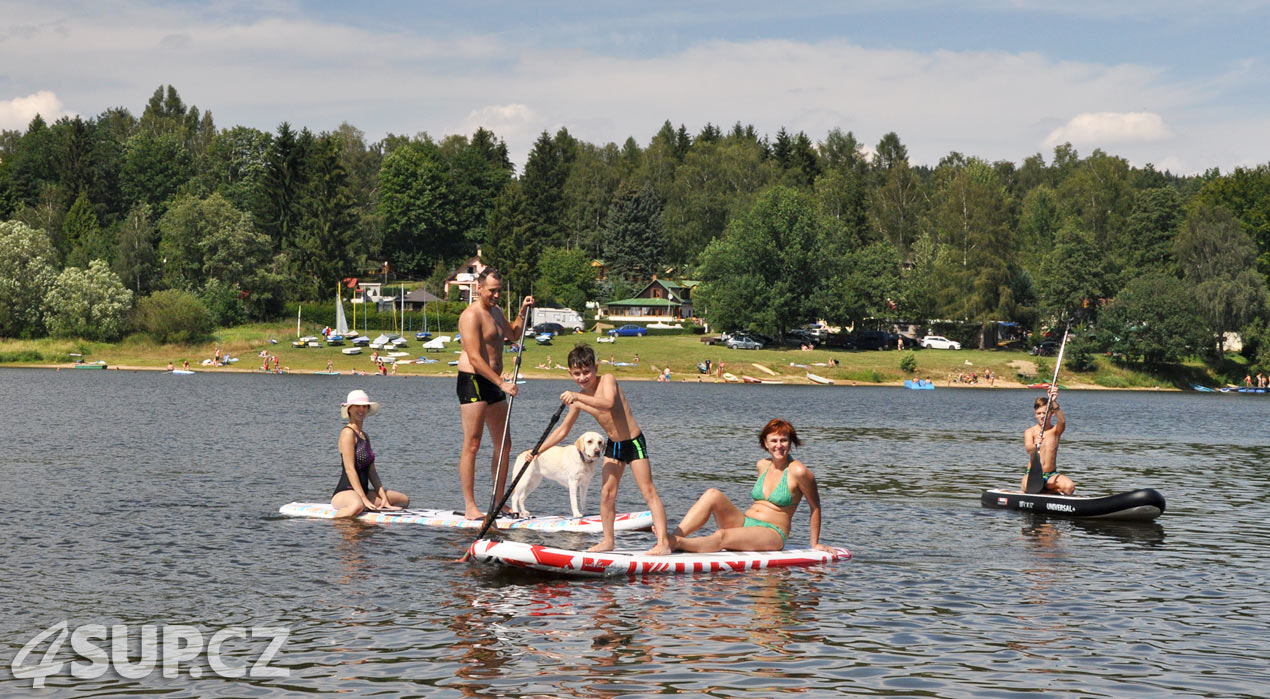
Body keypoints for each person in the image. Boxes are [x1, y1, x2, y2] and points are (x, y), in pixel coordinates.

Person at [537, 343, 672, 554]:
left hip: (634, 442)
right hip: (614, 446)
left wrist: (578, 396)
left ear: (596, 369)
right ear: (571, 373)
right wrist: (538, 450)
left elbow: (607, 403)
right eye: (577, 374)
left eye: (586, 372)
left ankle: (663, 543)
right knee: (607, 494)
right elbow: (563, 431)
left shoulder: (607, 380)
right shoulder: (578, 398)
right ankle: (608, 541)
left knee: (648, 492)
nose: (582, 378)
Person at [671, 418, 833, 553]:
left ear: (791, 443)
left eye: (784, 440)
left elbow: (815, 507)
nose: (779, 445)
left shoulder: (799, 471)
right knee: (712, 494)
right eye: (774, 440)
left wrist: (815, 544)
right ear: (765, 443)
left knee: (722, 536)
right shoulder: (762, 465)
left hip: (773, 533)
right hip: (745, 523)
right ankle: (672, 537)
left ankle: (678, 543)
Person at [455, 267, 534, 519]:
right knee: (473, 444)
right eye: (492, 291)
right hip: (474, 380)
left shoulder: (497, 312)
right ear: (479, 289)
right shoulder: (471, 316)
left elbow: (513, 335)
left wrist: (522, 312)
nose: (496, 295)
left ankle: (498, 502)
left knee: (504, 445)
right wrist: (501, 383)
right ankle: (470, 507)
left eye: (499, 291)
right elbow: (476, 359)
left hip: (496, 382)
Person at [331, 389, 409, 517]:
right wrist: (364, 499)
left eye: (364, 406)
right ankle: (333, 523)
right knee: (357, 505)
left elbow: (372, 472)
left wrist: (384, 498)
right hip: (346, 492)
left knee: (403, 500)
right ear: (349, 409)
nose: (361, 409)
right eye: (357, 406)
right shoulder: (347, 433)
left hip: (364, 491)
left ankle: (368, 502)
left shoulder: (365, 436)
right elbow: (350, 470)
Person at [1022, 387, 1074, 495]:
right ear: (1035, 414)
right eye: (1038, 413)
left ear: (1052, 413)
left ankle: (1044, 491)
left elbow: (1062, 420)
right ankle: (1045, 491)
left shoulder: (1055, 431)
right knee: (1027, 486)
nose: (1041, 416)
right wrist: (1035, 444)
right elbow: (1029, 449)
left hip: (1050, 475)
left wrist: (1054, 402)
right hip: (1033, 474)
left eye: (1044, 413)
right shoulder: (1030, 432)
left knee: (1069, 487)